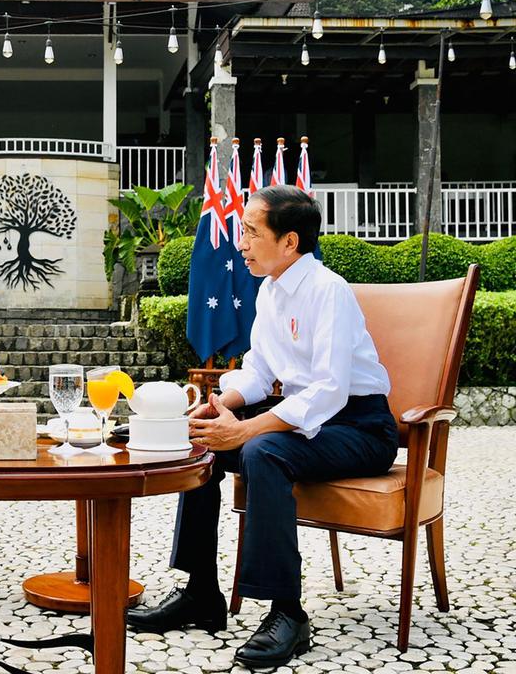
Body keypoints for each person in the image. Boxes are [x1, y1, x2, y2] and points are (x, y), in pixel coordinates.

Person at [126, 185, 397, 669]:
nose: (242, 243)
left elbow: (330, 390)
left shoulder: (327, 290)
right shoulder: (271, 290)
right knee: (205, 446)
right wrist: (218, 405)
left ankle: (287, 613)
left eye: (251, 232)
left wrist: (249, 431)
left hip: (361, 428)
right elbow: (258, 371)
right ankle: (202, 593)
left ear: (290, 241)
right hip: (303, 424)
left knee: (261, 451)